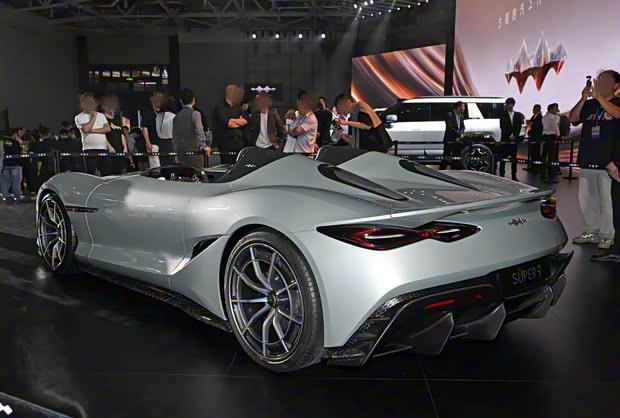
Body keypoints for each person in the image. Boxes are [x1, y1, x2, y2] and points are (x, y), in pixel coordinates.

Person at [568, 70, 620, 254]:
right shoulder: (590, 105)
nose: (601, 82)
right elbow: (573, 118)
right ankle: (591, 231)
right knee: (587, 199)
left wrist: (600, 98)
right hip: (587, 158)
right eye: (600, 79)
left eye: (606, 79)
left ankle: (608, 235)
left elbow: (617, 114)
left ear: (616, 85)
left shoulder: (616, 103)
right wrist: (583, 99)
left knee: (608, 202)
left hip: (608, 163)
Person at [74, 93, 113, 176]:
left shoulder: (101, 115)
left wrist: (92, 130)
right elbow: (86, 129)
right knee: (91, 174)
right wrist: (93, 117)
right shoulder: (79, 117)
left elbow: (107, 129)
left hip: (102, 148)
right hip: (89, 149)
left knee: (106, 173)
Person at [172, 88, 211, 167]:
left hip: (181, 151)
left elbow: (175, 136)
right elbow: (199, 131)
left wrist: (176, 153)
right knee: (197, 172)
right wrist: (204, 146)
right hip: (194, 151)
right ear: (193, 100)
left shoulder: (176, 116)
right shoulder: (196, 114)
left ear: (181, 101)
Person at [213, 85, 247, 164]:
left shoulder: (238, 107)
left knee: (239, 165)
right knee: (226, 165)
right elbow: (227, 123)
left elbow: (245, 121)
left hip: (239, 143)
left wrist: (232, 120)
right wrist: (239, 121)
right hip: (226, 144)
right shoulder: (219, 107)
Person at [102, 94, 129, 175]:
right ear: (104, 106)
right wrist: (109, 147)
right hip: (109, 150)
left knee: (120, 172)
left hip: (119, 149)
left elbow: (121, 133)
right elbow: (102, 135)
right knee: (109, 173)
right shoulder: (102, 118)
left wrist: (125, 147)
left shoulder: (117, 118)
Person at [498, 97, 525, 180]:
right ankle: (502, 175)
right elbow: (502, 127)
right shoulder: (502, 114)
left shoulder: (518, 115)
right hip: (505, 139)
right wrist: (510, 135)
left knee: (514, 159)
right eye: (508, 104)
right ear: (506, 105)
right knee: (503, 158)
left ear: (514, 104)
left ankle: (514, 175)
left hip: (514, 140)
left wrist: (515, 135)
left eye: (511, 103)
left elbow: (519, 126)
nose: (509, 105)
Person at [439, 101, 466, 170]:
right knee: (446, 156)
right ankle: (441, 171)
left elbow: (463, 127)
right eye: (463, 107)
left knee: (456, 157)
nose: (464, 109)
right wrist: (459, 134)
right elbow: (450, 128)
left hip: (458, 140)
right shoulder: (449, 115)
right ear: (458, 107)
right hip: (449, 139)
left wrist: (461, 134)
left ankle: (453, 171)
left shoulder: (461, 116)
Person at [0, 128, 23, 199]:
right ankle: (17, 197)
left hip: (5, 165)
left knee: (5, 183)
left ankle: (5, 196)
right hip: (14, 165)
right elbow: (19, 152)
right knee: (16, 183)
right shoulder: (16, 142)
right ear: (15, 134)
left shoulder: (3, 142)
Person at [541, 103, 561, 181]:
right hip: (551, 137)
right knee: (551, 157)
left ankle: (543, 173)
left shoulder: (544, 117)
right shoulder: (551, 117)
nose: (556, 110)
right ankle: (550, 175)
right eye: (555, 109)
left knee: (544, 155)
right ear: (551, 109)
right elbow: (555, 127)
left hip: (545, 136)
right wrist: (558, 134)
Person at [155, 97, 177, 166]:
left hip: (161, 143)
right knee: (172, 165)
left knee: (163, 165)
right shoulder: (174, 116)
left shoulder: (158, 116)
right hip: (171, 143)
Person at [526, 104, 544, 172]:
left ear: (538, 109)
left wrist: (530, 132)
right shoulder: (534, 116)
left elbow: (537, 127)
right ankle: (533, 166)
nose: (533, 109)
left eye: (534, 108)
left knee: (536, 152)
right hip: (533, 137)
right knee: (533, 152)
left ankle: (536, 167)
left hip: (536, 137)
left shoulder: (540, 117)